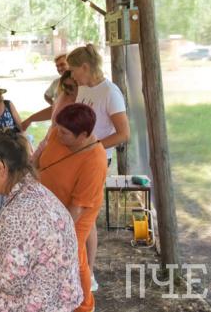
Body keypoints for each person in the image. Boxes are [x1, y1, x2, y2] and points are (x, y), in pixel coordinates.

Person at [0, 128, 83, 312]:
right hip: (57, 300)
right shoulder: (33, 190)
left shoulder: (17, 212)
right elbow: (26, 243)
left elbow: (10, 282)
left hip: (37, 305)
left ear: (0, 168)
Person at [67, 43, 130, 292]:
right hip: (79, 158)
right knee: (80, 216)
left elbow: (124, 133)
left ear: (85, 67)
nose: (72, 76)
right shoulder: (84, 88)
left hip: (97, 161)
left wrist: (93, 147)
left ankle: (89, 273)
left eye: (73, 70)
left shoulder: (110, 92)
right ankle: (78, 267)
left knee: (87, 216)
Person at [35, 103, 108, 312]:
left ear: (83, 135)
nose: (58, 134)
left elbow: (76, 209)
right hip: (50, 204)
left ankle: (84, 304)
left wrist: (55, 230)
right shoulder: (58, 132)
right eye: (57, 128)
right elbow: (40, 156)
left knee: (72, 253)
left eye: (64, 133)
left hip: (75, 213)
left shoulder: (94, 161)